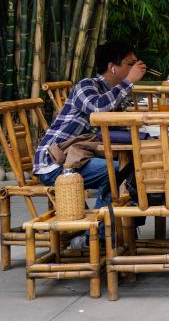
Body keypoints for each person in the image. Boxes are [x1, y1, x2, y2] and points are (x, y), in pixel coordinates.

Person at [33, 41, 147, 210]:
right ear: (112, 67)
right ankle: (101, 224)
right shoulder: (86, 85)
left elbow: (113, 129)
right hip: (55, 162)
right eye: (131, 64)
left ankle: (110, 221)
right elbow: (97, 108)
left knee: (134, 165)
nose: (137, 67)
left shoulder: (114, 93)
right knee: (119, 171)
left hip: (78, 157)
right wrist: (129, 80)